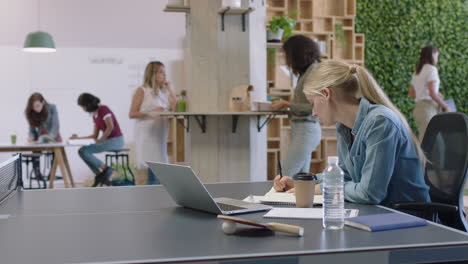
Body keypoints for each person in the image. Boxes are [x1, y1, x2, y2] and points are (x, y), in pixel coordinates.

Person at [274, 61, 430, 206]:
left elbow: (370, 193)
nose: (313, 113)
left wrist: (324, 188)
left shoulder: (380, 122)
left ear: (326, 94)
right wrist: (304, 183)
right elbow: (345, 176)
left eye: (312, 103)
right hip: (380, 214)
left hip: (408, 218)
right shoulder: (344, 126)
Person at [270, 35, 321, 178]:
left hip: (306, 129)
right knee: (299, 179)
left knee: (285, 176)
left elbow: (314, 107)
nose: (287, 59)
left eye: (287, 55)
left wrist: (287, 104)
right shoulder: (307, 71)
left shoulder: (313, 71)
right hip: (302, 129)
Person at [129, 61, 176, 185]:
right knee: (152, 174)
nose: (164, 75)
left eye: (164, 72)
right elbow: (132, 113)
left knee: (159, 172)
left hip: (160, 137)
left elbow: (173, 107)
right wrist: (150, 112)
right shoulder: (142, 90)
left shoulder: (161, 93)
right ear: (152, 74)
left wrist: (170, 89)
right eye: (161, 72)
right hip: (147, 138)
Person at [71, 93, 124, 187]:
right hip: (108, 141)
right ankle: (99, 175)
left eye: (83, 107)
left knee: (83, 151)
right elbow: (94, 135)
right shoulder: (94, 116)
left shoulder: (103, 109)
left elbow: (110, 127)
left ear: (88, 105)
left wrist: (101, 139)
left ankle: (106, 169)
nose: (83, 109)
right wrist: (77, 138)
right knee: (82, 151)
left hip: (116, 140)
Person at [409, 45, 452, 141]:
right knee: (432, 144)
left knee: (426, 141)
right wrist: (446, 106)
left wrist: (431, 93)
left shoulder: (417, 71)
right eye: (437, 56)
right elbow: (432, 93)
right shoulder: (432, 69)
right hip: (429, 109)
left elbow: (411, 94)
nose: (437, 59)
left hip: (419, 110)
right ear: (432, 55)